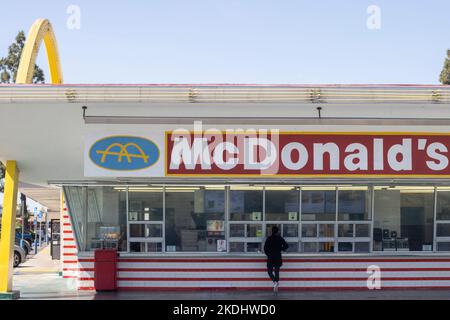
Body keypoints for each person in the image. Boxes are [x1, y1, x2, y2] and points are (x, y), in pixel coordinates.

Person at [264, 226, 288, 292]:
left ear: (272, 231)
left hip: (270, 257)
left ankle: (275, 282)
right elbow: (286, 246)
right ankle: (276, 284)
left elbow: (265, 248)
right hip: (278, 257)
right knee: (276, 271)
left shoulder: (269, 238)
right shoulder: (280, 238)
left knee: (269, 272)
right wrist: (281, 249)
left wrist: (268, 254)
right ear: (277, 231)